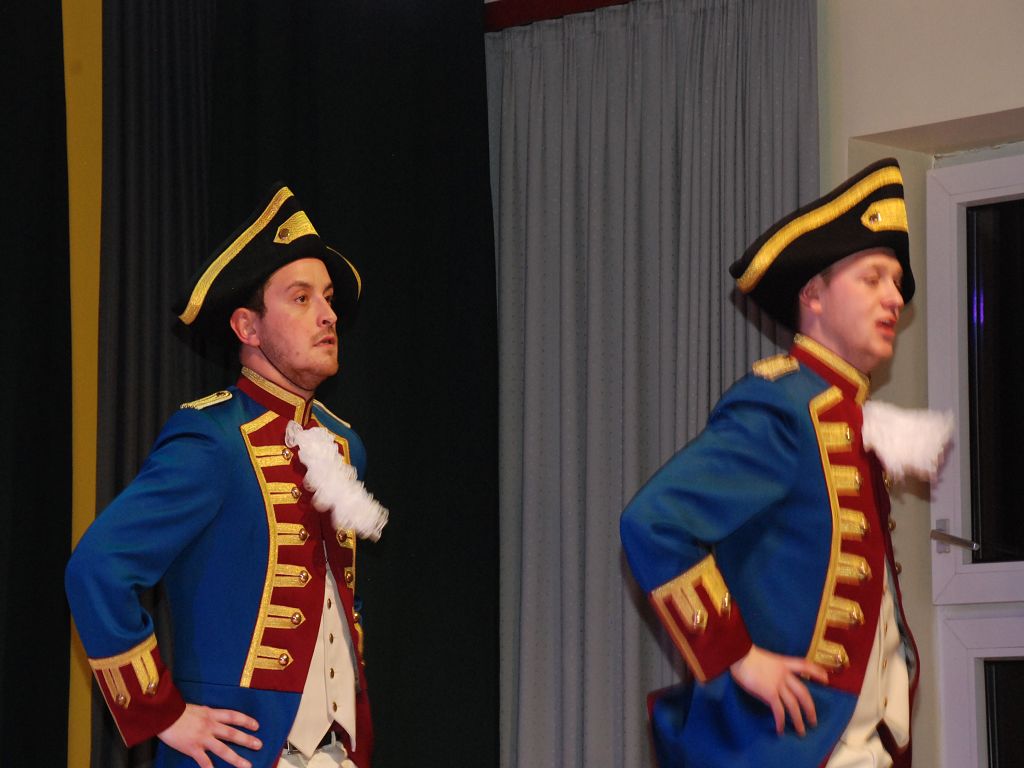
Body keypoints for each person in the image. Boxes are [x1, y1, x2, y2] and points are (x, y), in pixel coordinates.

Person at [620, 158, 951, 767]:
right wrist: (737, 657)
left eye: (896, 282)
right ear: (813, 295)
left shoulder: (853, 418)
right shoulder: (780, 404)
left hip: (858, 745)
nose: (894, 297)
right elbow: (653, 522)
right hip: (790, 748)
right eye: (872, 278)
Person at [66, 185, 388, 768]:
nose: (328, 315)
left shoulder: (344, 444)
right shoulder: (212, 440)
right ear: (247, 327)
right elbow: (97, 569)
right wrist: (163, 714)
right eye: (301, 298)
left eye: (328, 298)